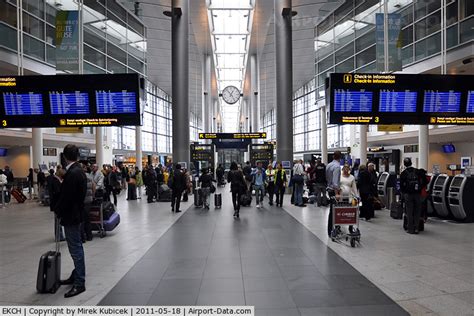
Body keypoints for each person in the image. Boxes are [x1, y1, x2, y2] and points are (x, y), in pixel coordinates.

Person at [54, 144, 87, 298]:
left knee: (75, 249)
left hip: (71, 216)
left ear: (65, 157)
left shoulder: (72, 173)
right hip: (77, 214)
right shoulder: (79, 171)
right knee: (77, 247)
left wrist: (58, 210)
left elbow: (66, 197)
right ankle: (76, 275)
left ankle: (79, 282)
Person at [400, 157, 423, 234]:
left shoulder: (403, 173)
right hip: (417, 194)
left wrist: (403, 193)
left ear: (404, 164)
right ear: (411, 163)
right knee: (417, 211)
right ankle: (416, 228)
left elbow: (401, 186)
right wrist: (419, 188)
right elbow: (425, 181)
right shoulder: (417, 171)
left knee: (409, 212)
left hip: (408, 195)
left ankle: (410, 229)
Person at [326, 151, 342, 237]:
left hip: (329, 189)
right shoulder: (337, 166)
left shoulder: (329, 165)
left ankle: (331, 229)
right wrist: (338, 192)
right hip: (334, 191)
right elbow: (335, 183)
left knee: (332, 210)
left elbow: (328, 178)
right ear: (340, 157)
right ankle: (332, 230)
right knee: (334, 211)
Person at [48, 168, 64, 242]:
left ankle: (60, 235)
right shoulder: (55, 181)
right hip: (57, 204)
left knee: (58, 220)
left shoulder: (55, 180)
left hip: (56, 203)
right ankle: (58, 236)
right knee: (57, 220)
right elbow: (57, 192)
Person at [82, 166, 94, 242]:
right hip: (89, 200)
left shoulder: (81, 177)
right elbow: (94, 186)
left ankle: (83, 237)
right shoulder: (90, 176)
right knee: (87, 219)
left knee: (82, 219)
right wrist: (93, 195)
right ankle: (89, 236)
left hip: (82, 200)